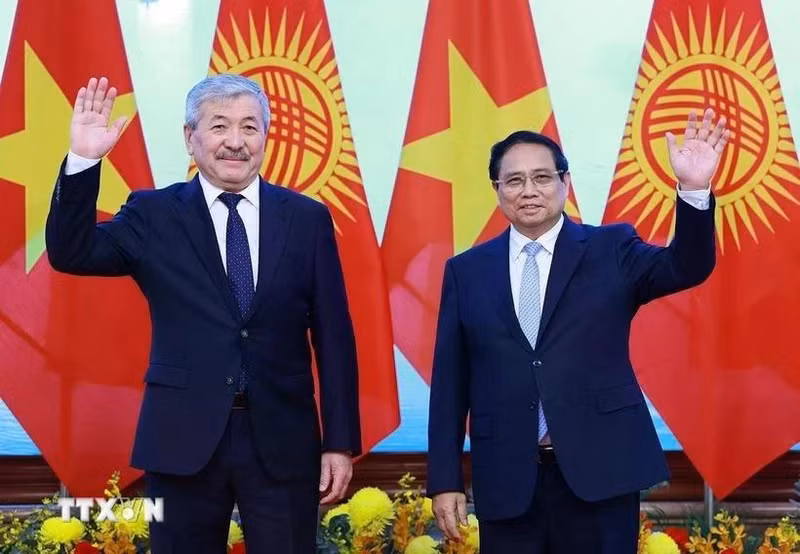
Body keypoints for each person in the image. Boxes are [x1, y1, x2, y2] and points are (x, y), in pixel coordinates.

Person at [45, 74, 361, 553]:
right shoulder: (153, 214)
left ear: (266, 138)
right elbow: (71, 252)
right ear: (190, 137)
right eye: (219, 126)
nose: (235, 142)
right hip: (180, 440)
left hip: (283, 439)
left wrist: (338, 441)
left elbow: (335, 338)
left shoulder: (307, 218)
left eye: (250, 128)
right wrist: (85, 159)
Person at [427, 109, 729, 552]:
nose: (528, 190)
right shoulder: (465, 271)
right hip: (507, 479)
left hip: (601, 475)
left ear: (564, 184)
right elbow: (450, 385)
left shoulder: (611, 248)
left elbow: (687, 265)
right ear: (497, 191)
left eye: (542, 177)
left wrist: (695, 189)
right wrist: (445, 480)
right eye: (514, 181)